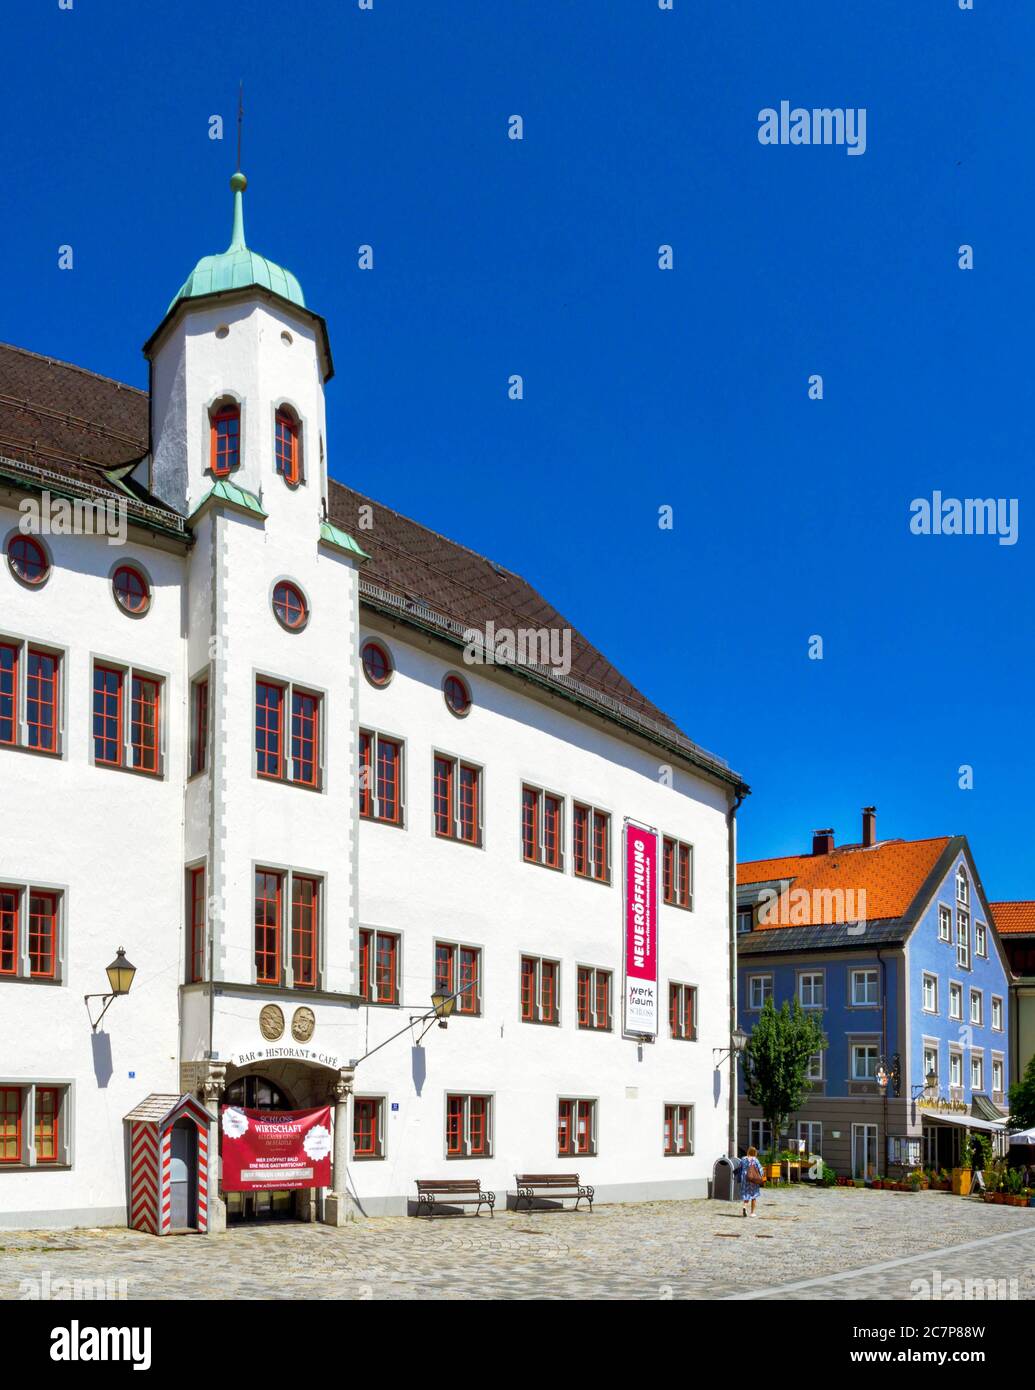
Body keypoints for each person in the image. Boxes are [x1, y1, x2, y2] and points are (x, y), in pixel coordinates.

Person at [740, 1145, 765, 1216]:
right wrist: (761, 1176)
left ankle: (744, 1206)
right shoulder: (755, 1160)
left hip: (745, 1178)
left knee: (746, 1194)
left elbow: (740, 1168)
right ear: (755, 1153)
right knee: (754, 1195)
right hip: (753, 1179)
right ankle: (752, 1212)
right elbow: (760, 1169)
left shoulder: (743, 1159)